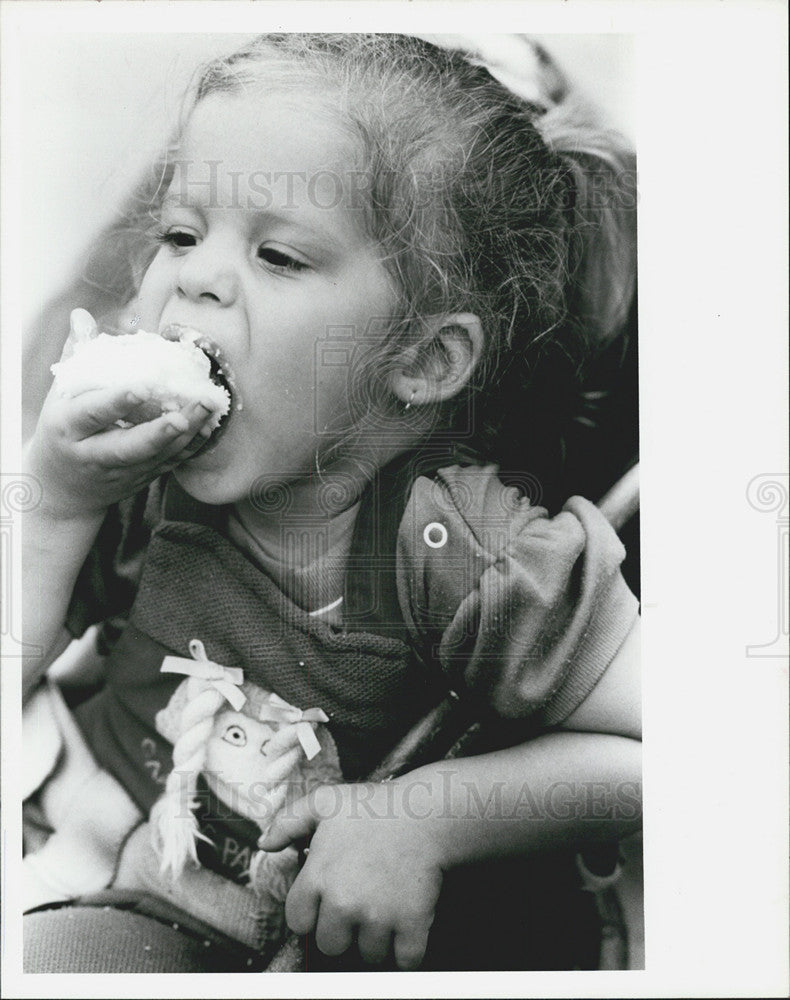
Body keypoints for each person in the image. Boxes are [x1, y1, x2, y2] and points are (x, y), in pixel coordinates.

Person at [22, 33, 640, 972]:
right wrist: (58, 505)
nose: (193, 275)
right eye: (181, 234)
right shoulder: (145, 476)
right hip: (73, 812)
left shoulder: (455, 551)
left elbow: (677, 752)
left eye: (278, 255)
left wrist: (422, 820)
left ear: (422, 360)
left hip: (214, 929)